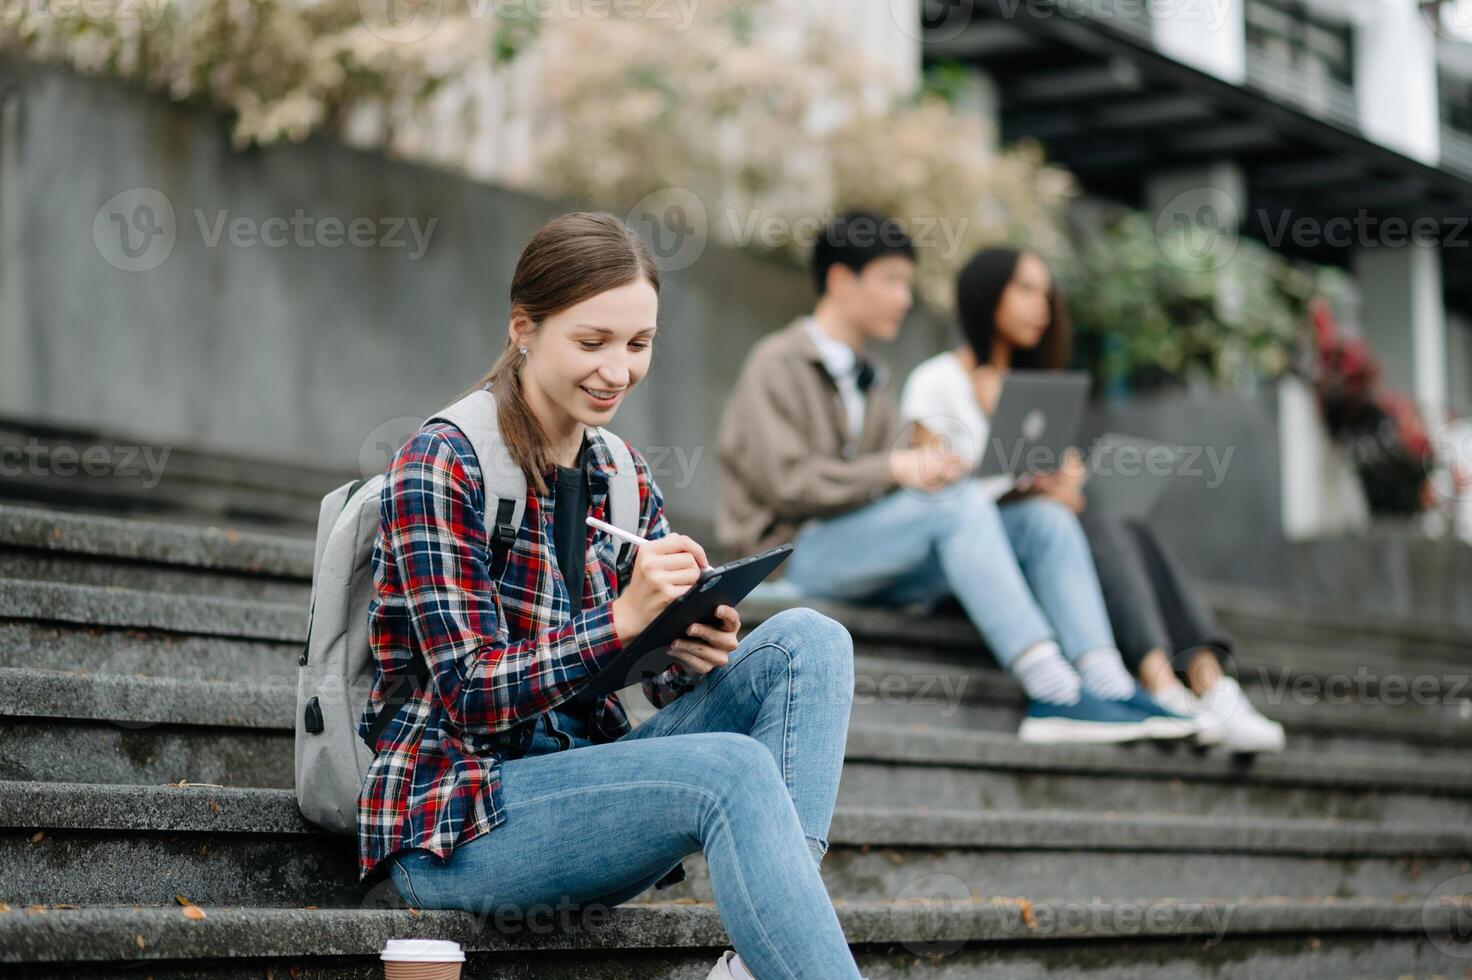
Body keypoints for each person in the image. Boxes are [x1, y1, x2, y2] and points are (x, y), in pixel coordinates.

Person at [361, 212, 864, 980]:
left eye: (639, 345)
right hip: (456, 823)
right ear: (524, 328)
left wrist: (685, 646)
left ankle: (760, 956)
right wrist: (622, 617)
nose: (617, 371)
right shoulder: (442, 463)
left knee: (810, 641)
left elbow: (647, 682)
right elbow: (470, 694)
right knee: (729, 768)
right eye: (591, 343)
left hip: (586, 797)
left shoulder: (620, 472)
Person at [717, 212, 1189, 745]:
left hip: (869, 552)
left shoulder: (873, 380)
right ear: (841, 280)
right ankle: (1051, 689)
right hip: (794, 557)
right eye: (892, 280)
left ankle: (1104, 680)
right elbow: (786, 482)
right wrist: (897, 468)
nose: (905, 298)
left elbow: (888, 489)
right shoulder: (776, 363)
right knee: (957, 504)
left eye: (908, 283)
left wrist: (939, 471)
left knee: (1040, 519)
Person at [902, 245, 1285, 752]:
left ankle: (1209, 684)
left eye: (1046, 292)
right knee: (1106, 529)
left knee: (1125, 527)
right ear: (985, 293)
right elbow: (938, 496)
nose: (1042, 305)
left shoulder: (1037, 389)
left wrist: (1059, 486)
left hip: (1045, 546)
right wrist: (1019, 491)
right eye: (1025, 289)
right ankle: (1163, 685)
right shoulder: (936, 381)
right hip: (983, 569)